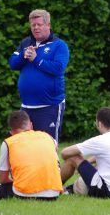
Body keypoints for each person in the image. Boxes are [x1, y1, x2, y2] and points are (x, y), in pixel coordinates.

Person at [0, 110, 63, 201]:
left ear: (11, 132)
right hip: (54, 192)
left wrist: (23, 181)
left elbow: (3, 179)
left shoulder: (9, 142)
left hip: (24, 193)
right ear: (31, 125)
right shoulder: (49, 138)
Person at [8, 9, 70, 143]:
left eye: (39, 24)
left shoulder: (59, 45)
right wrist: (24, 56)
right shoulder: (26, 43)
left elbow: (58, 68)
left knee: (48, 145)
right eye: (33, 25)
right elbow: (13, 64)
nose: (36, 28)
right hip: (27, 106)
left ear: (48, 25)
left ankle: (53, 165)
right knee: (25, 146)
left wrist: (36, 59)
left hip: (49, 106)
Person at [60, 107, 110, 199]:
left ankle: (54, 187)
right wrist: (87, 163)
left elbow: (64, 153)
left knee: (73, 157)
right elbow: (109, 155)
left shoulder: (101, 140)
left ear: (100, 124)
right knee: (95, 172)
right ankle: (68, 190)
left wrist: (79, 162)